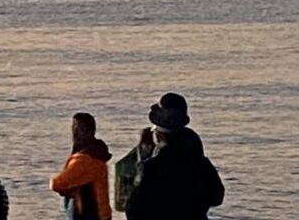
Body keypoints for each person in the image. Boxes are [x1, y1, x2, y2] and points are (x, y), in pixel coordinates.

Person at [124, 92, 224, 220]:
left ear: (160, 136)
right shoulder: (201, 164)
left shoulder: (153, 168)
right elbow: (217, 197)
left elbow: (134, 211)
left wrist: (142, 163)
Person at [50, 112, 113, 220]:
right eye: (74, 128)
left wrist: (68, 190)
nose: (75, 133)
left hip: (90, 216)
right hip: (101, 214)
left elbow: (57, 183)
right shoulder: (97, 154)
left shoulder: (85, 160)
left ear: (90, 132)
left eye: (80, 129)